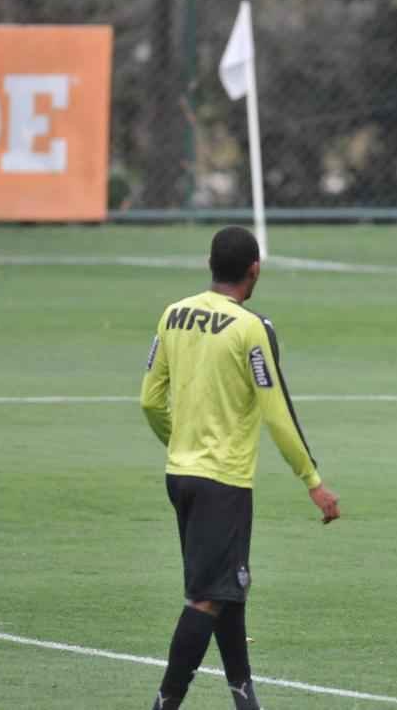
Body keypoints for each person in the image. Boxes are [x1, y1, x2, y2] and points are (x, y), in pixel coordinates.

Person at [140, 226, 340, 710]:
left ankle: (244, 695)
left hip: (180, 475)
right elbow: (278, 413)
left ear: (211, 264)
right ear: (255, 270)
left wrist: (180, 440)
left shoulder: (173, 314)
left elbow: (149, 400)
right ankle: (165, 703)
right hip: (221, 482)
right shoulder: (253, 329)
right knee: (206, 598)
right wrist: (312, 481)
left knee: (229, 586)